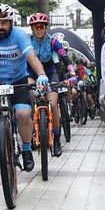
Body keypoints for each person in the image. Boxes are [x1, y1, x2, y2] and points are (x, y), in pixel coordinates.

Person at [0, 4, 50, 171]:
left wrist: (41, 74)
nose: (0, 27)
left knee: (23, 113)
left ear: (11, 22)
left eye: (4, 23)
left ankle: (27, 150)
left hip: (17, 79)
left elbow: (31, 57)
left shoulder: (20, 36)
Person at [26, 13, 67, 157]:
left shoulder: (53, 41)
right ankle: (32, 132)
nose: (39, 29)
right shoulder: (26, 41)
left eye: (42, 26)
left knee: (53, 104)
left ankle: (56, 140)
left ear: (46, 27)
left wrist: (71, 70)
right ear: (32, 28)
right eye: (36, 26)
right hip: (31, 73)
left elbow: (64, 56)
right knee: (30, 98)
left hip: (50, 73)